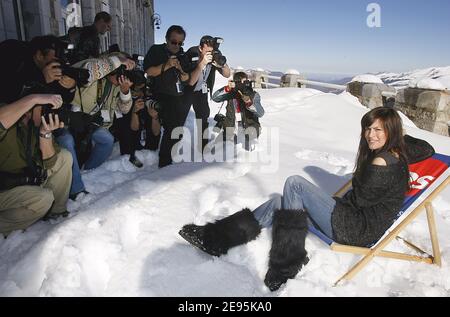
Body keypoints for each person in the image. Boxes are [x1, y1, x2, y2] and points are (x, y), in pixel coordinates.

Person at [179, 107, 435, 291]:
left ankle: (287, 264)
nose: (370, 135)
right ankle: (216, 239)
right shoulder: (400, 151)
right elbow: (428, 148)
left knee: (295, 184)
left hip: (355, 228)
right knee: (277, 203)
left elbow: (363, 201)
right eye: (368, 128)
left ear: (390, 130)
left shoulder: (382, 162)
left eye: (378, 129)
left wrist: (374, 163)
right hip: (350, 215)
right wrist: (395, 137)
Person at [56, 53, 135, 201]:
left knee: (107, 140)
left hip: (89, 124)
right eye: (121, 70)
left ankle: (89, 173)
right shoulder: (93, 69)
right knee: (67, 142)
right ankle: (76, 190)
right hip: (69, 120)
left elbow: (124, 109)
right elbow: (91, 70)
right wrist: (120, 60)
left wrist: (125, 92)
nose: (123, 76)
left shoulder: (116, 86)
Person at [0, 94, 73, 237]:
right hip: (3, 187)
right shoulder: (8, 113)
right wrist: (33, 99)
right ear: (27, 109)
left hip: (19, 182)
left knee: (64, 157)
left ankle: (56, 213)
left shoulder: (34, 126)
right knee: (42, 199)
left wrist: (45, 134)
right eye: (43, 108)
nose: (47, 113)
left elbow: (50, 162)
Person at [144, 25, 191, 168]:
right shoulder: (156, 50)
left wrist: (181, 70)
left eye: (180, 43)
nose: (177, 46)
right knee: (154, 129)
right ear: (166, 39)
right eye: (173, 42)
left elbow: (186, 79)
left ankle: (165, 162)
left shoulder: (183, 56)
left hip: (176, 97)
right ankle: (149, 155)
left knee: (175, 131)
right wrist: (167, 64)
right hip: (157, 94)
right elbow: (149, 71)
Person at [183, 36, 231, 151]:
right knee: (179, 119)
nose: (210, 54)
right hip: (187, 91)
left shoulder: (214, 54)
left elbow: (227, 74)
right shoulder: (192, 54)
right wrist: (202, 63)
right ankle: (171, 147)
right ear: (200, 48)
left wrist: (222, 63)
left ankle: (203, 146)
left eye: (212, 51)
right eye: (207, 51)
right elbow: (190, 82)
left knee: (203, 118)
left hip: (201, 92)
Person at [0, 35, 77, 105]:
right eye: (54, 59)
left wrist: (70, 87)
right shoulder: (13, 52)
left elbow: (63, 100)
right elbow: (7, 93)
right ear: (39, 55)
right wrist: (41, 79)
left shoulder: (51, 69)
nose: (57, 63)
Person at [112, 70, 161, 168]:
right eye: (135, 91)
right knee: (125, 122)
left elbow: (156, 133)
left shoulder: (148, 99)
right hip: (130, 144)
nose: (140, 94)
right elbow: (133, 129)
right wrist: (135, 112)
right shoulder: (124, 101)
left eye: (142, 90)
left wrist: (155, 117)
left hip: (149, 151)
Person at [211, 72, 264, 151]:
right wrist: (227, 88)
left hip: (248, 126)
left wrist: (249, 102)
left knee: (248, 150)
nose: (242, 85)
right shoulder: (231, 94)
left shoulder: (253, 94)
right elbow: (215, 98)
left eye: (245, 82)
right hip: (231, 125)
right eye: (240, 83)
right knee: (216, 151)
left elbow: (260, 113)